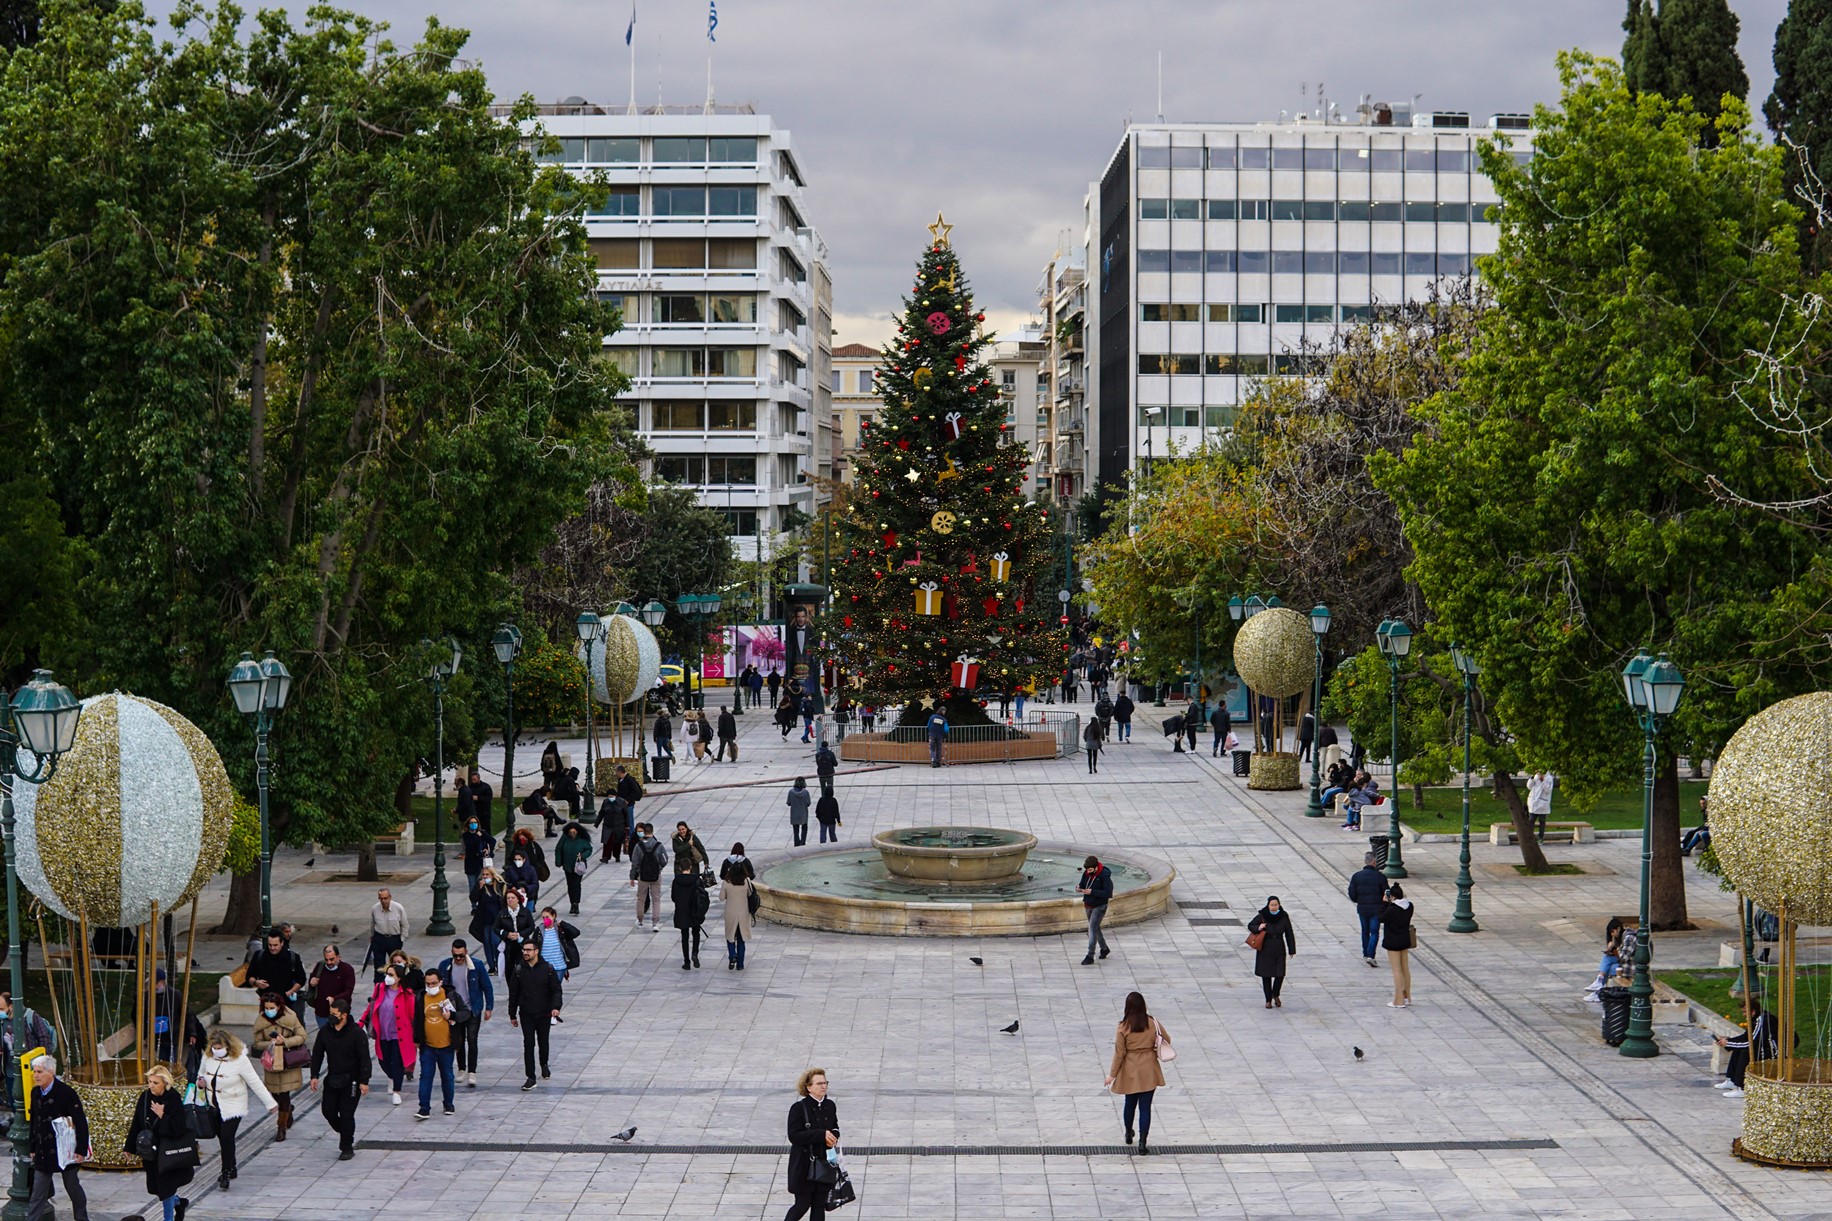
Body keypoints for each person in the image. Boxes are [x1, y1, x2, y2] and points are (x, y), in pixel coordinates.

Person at [194, 1028, 276, 1191]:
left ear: (227, 1046)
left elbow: (255, 1082)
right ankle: (232, 1165)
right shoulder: (208, 1056)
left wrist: (270, 1103)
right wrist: (201, 1082)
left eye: (219, 1047)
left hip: (233, 1105)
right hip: (213, 1104)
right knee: (222, 1138)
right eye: (214, 1048)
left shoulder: (240, 1060)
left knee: (226, 1137)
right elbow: (201, 1073)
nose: (216, 1051)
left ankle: (226, 1172)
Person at [124, 1064, 193, 1221]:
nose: (151, 1086)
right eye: (150, 1082)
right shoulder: (145, 1097)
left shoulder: (173, 1098)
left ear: (165, 1083)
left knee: (166, 1189)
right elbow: (137, 1122)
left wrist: (163, 1115)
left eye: (155, 1083)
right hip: (151, 1152)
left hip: (167, 1153)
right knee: (157, 1189)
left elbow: (179, 1128)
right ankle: (178, 1203)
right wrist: (129, 1147)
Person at [25, 1054, 89, 1221]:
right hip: (43, 1150)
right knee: (37, 1193)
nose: (35, 1075)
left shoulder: (66, 1093)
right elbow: (34, 1122)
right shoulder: (35, 1093)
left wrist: (81, 1150)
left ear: (51, 1072)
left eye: (39, 1071)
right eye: (34, 1071)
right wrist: (32, 1147)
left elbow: (80, 1122)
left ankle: (82, 1218)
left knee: (72, 1187)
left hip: (65, 1149)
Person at [1104, 992, 1168, 1156]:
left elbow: (1119, 1053)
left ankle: (1128, 1132)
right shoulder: (1152, 1023)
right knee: (1145, 1107)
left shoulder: (1123, 1027)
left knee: (1129, 1103)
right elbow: (1166, 1038)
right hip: (1149, 1068)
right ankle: (1142, 1142)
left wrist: (1112, 1075)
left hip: (1130, 1069)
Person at [307, 996, 371, 1161]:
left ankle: (346, 1146)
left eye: (334, 1013)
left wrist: (364, 1081)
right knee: (327, 1110)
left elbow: (365, 1058)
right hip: (333, 1077)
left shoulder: (356, 1033)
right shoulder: (325, 1031)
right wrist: (314, 1075)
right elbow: (318, 1054)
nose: (331, 1016)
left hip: (352, 1080)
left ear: (343, 1015)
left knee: (346, 1113)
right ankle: (345, 1131)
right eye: (330, 1012)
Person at [785, 1068, 841, 1221]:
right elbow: (794, 1136)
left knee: (819, 1205)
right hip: (804, 1165)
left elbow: (835, 1127)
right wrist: (821, 1134)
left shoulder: (830, 1105)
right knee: (802, 1204)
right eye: (819, 1083)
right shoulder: (798, 1108)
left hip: (824, 1164)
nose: (824, 1086)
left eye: (825, 1083)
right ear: (809, 1087)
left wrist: (834, 1136)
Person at [251, 989, 307, 1143]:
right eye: (267, 1008)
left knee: (284, 1095)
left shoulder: (290, 1017)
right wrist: (270, 1044)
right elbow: (256, 1043)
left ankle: (281, 1127)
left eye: (272, 1008)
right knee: (274, 1093)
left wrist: (285, 1042)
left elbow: (302, 1036)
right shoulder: (261, 1021)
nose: (269, 1011)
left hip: (288, 1061)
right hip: (272, 1062)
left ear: (279, 1006)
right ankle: (288, 1110)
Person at [411, 965, 466, 1119]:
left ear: (441, 982)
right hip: (427, 1045)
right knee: (426, 1076)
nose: (430, 986)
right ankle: (424, 1107)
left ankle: (448, 1103)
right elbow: (416, 1019)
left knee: (447, 1075)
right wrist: (416, 1039)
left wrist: (453, 1016)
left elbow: (466, 1013)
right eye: (428, 984)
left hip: (446, 1045)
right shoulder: (421, 997)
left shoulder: (452, 996)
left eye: (433, 983)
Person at [509, 939, 563, 1090]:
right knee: (528, 1043)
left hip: (544, 1013)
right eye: (524, 950)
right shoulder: (519, 969)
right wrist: (512, 1014)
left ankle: (544, 1064)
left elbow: (556, 990)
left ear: (536, 951)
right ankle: (530, 1077)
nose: (525, 952)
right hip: (526, 1013)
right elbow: (513, 993)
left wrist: (556, 1007)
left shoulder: (547, 969)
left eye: (528, 950)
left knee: (543, 1041)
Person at [438, 940, 494, 1088]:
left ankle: (472, 1071)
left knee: (472, 1038)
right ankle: (461, 1068)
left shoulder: (476, 966)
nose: (458, 959)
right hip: (455, 1010)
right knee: (459, 1040)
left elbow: (487, 986)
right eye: (455, 956)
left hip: (472, 1008)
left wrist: (489, 1007)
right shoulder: (445, 966)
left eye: (461, 956)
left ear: (466, 952)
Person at [361, 962, 417, 1106]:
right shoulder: (379, 989)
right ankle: (393, 1076)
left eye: (391, 975)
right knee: (383, 1060)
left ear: (399, 978)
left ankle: (397, 1091)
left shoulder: (407, 994)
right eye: (387, 974)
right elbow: (371, 1006)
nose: (388, 977)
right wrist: (361, 1022)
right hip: (383, 1032)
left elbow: (412, 1015)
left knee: (397, 1062)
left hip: (399, 1035)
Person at [0, 992, 54, 1116]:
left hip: (30, 1069)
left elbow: (44, 1038)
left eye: (2, 1009)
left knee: (34, 1102)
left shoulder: (30, 1017)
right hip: (10, 1070)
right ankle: (18, 1119)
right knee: (14, 1100)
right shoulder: (2, 1021)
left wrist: (44, 1064)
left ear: (11, 1006)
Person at [1716, 996, 1779, 1099]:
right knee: (1738, 1048)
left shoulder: (1762, 1020)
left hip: (1772, 1051)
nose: (1743, 1015)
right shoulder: (1756, 1019)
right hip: (1762, 1047)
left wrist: (1728, 1044)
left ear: (1753, 1012)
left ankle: (1742, 1088)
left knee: (1746, 1052)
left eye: (1745, 1012)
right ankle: (1732, 1080)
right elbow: (1746, 1037)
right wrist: (1729, 1040)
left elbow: (1751, 1043)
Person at [246, 929, 307, 1022]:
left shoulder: (292, 957)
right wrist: (256, 982)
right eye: (270, 945)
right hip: (266, 1005)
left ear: (282, 943)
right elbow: (249, 976)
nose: (272, 948)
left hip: (286, 1004)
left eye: (275, 945)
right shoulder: (259, 956)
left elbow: (301, 979)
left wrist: (291, 991)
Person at [1248, 896, 1298, 1008]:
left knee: (1280, 974)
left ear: (1279, 905)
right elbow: (1251, 925)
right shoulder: (1263, 915)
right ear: (1268, 905)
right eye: (1272, 905)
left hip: (1279, 947)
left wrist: (1292, 949)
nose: (1274, 907)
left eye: (1276, 905)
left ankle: (1275, 993)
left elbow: (1289, 933)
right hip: (1265, 948)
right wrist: (1259, 927)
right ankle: (1268, 1000)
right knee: (1266, 975)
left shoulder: (1284, 917)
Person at [1347, 853, 1387, 968]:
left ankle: (1365, 953)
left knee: (1365, 931)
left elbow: (1352, 893)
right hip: (1376, 908)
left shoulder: (1357, 876)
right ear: (1374, 862)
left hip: (1362, 908)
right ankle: (1371, 954)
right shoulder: (1380, 877)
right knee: (1374, 932)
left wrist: (1358, 900)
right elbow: (1386, 893)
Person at [672, 858, 711, 970]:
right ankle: (695, 953)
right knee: (696, 933)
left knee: (684, 936)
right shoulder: (696, 880)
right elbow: (703, 895)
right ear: (690, 867)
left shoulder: (676, 881)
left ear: (680, 868)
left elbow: (673, 897)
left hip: (682, 911)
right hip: (694, 910)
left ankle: (686, 961)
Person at [721, 846, 756, 970]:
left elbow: (721, 897)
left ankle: (732, 954)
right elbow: (750, 894)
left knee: (730, 936)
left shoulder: (726, 882)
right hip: (743, 913)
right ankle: (740, 965)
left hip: (730, 912)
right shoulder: (746, 881)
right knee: (741, 940)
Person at [629, 823, 669, 929]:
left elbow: (634, 863)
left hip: (642, 876)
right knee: (656, 899)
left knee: (640, 899)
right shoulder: (658, 845)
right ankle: (655, 923)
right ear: (652, 831)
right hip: (656, 876)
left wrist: (632, 876)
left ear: (644, 832)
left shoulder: (638, 846)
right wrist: (659, 868)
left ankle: (640, 920)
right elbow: (665, 860)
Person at [307, 943, 355, 1032]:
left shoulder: (347, 970)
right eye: (326, 959)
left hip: (339, 1013)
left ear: (338, 957)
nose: (329, 962)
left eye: (332, 959)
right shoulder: (320, 966)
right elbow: (312, 983)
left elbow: (348, 992)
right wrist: (312, 983)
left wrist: (334, 998)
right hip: (321, 1012)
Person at [1381, 884, 1415, 1008]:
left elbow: (1381, 918)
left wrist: (1385, 903)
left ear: (1392, 897)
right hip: (1405, 939)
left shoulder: (1392, 909)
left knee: (1396, 970)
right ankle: (1407, 996)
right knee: (1405, 968)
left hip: (1393, 941)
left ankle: (1398, 1000)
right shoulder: (1409, 906)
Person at [1077, 854, 1113, 965]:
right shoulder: (1087, 873)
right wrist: (1079, 888)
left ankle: (1090, 955)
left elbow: (1108, 893)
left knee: (1092, 929)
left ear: (1096, 867)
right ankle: (1104, 948)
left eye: (1091, 870)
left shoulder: (1104, 876)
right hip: (1088, 904)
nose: (1088, 872)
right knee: (1095, 928)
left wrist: (1092, 892)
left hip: (1099, 906)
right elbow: (1083, 883)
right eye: (1087, 870)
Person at [470, 865, 507, 972]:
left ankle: (498, 962)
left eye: (487, 874)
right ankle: (491, 965)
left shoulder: (499, 885)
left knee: (495, 941)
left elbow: (504, 901)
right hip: (485, 919)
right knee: (487, 942)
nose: (485, 877)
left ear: (492, 875)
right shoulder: (481, 886)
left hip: (497, 919)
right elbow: (473, 898)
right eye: (484, 875)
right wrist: (479, 888)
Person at [496, 885, 538, 978]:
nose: (510, 900)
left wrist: (520, 934)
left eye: (512, 898)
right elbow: (496, 928)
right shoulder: (502, 913)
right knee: (509, 969)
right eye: (508, 898)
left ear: (518, 899)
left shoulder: (525, 912)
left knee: (523, 967)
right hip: (508, 945)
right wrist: (506, 934)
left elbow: (531, 927)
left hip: (522, 944)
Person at [367, 888, 407, 982]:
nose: (383, 901)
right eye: (381, 898)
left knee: (396, 964)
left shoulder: (398, 908)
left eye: (385, 898)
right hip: (379, 938)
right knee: (378, 966)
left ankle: (397, 983)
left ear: (390, 897)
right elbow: (372, 924)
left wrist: (402, 939)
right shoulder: (375, 908)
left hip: (394, 939)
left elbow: (405, 925)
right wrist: (372, 937)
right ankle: (379, 987)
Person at [556, 821, 593, 916]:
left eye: (574, 832)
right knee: (570, 885)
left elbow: (589, 849)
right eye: (570, 832)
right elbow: (558, 848)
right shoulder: (564, 838)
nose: (572, 834)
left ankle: (576, 903)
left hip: (578, 867)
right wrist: (558, 861)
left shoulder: (582, 839)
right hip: (567, 866)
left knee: (576, 884)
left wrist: (583, 855)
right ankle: (572, 903)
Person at [1586, 917, 1626, 1001]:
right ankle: (1599, 986)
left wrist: (1614, 950)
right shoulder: (1616, 938)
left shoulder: (1626, 938)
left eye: (1613, 931)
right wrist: (1610, 949)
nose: (1612, 934)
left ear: (1618, 928)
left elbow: (1624, 957)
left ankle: (1599, 988)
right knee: (1607, 960)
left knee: (1607, 965)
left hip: (1626, 965)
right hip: (1620, 963)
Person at [537, 906, 580, 980]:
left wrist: (563, 923)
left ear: (553, 916)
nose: (545, 919)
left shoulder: (560, 930)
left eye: (547, 917)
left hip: (559, 966)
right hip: (543, 966)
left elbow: (576, 932)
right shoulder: (539, 930)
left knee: (555, 988)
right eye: (543, 917)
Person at [461, 813, 496, 897]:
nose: (474, 824)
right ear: (468, 824)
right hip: (471, 864)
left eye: (475, 822)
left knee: (482, 884)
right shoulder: (466, 835)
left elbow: (492, 841)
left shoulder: (482, 833)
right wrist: (477, 837)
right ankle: (474, 905)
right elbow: (469, 845)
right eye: (471, 823)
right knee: (473, 886)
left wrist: (488, 850)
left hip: (481, 863)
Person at [598, 793, 632, 863]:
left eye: (611, 796)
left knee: (617, 842)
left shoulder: (622, 802)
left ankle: (617, 856)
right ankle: (606, 857)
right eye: (609, 796)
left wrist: (627, 826)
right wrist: (597, 823)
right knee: (607, 842)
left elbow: (626, 814)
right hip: (608, 825)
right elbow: (601, 813)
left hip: (619, 826)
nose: (610, 797)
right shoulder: (606, 802)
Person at [1527, 770, 1555, 841]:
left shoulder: (1549, 778)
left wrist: (1543, 781)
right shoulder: (1536, 776)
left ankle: (1540, 838)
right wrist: (1532, 778)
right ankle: (1530, 837)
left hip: (1542, 804)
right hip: (1533, 803)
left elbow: (1548, 790)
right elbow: (1529, 787)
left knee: (1542, 822)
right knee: (1531, 821)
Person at [467, 767, 494, 833]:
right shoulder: (470, 788)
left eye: (475, 779)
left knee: (485, 829)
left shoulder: (486, 787)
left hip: (484, 812)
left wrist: (478, 798)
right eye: (472, 779)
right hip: (474, 813)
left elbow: (488, 798)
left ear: (478, 778)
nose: (473, 781)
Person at [787, 778, 812, 847]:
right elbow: (808, 803)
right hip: (803, 814)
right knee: (804, 828)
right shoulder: (806, 792)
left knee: (796, 830)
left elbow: (789, 803)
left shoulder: (791, 792)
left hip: (794, 814)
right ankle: (802, 842)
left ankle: (796, 843)